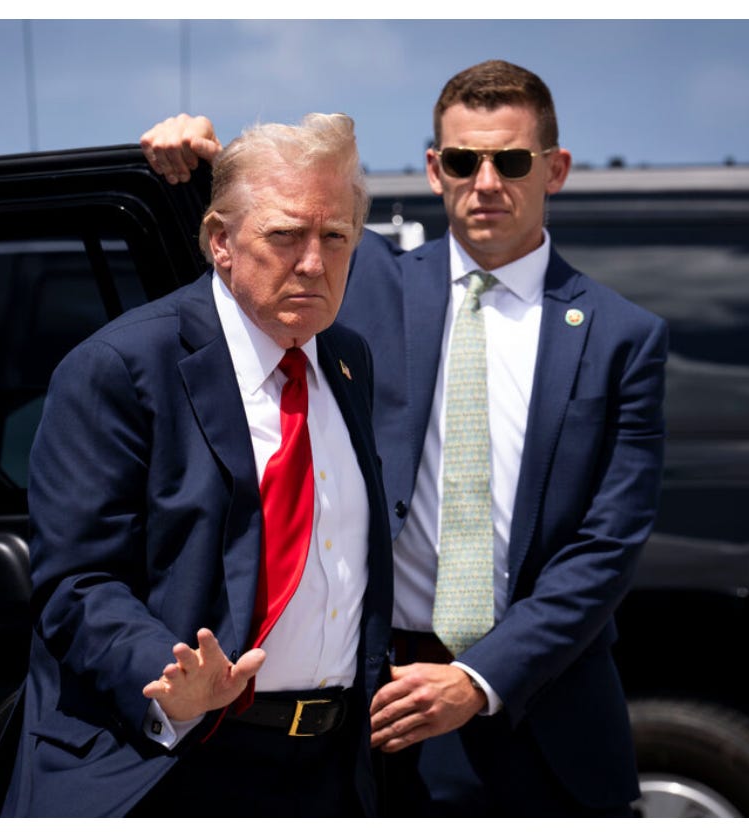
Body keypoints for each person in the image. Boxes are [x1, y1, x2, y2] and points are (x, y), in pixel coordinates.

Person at [141, 59, 667, 816]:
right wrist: (195, 165)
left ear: (555, 169)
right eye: (462, 160)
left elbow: (607, 545)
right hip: (378, 702)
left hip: (543, 702)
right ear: (432, 169)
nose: (486, 182)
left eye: (512, 161)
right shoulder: (364, 282)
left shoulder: (622, 336)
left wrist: (479, 678)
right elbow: (260, 245)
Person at [1, 113, 392, 817]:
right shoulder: (120, 366)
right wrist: (167, 675)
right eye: (285, 235)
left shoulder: (346, 358)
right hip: (176, 764)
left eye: (336, 237)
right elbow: (77, 581)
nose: (313, 262)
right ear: (220, 242)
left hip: (331, 772)